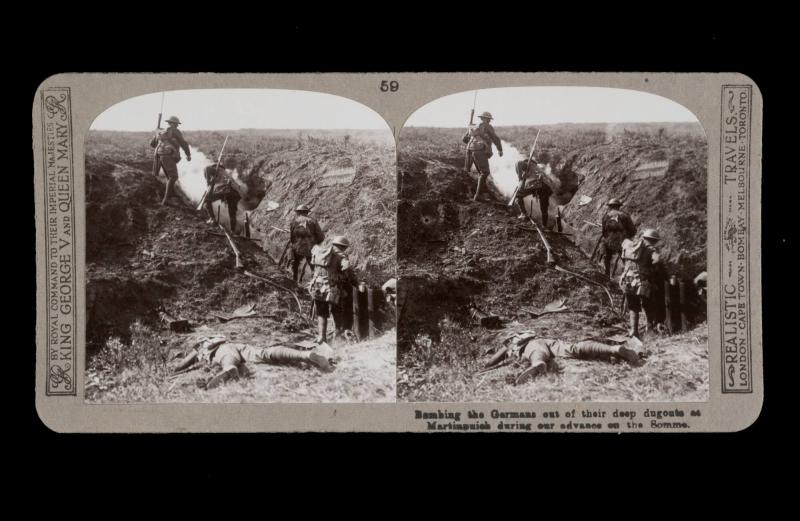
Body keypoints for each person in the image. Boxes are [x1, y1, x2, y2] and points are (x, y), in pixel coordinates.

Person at [172, 336, 332, 390]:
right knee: (264, 353)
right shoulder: (216, 337)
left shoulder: (200, 346)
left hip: (221, 351)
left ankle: (230, 370)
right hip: (239, 346)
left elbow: (182, 365)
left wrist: (175, 369)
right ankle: (303, 354)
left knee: (227, 360)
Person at [483, 331, 641, 385]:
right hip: (549, 342)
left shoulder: (510, 342)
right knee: (574, 348)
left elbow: (491, 362)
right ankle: (612, 349)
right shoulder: (527, 332)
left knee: (536, 353)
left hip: (531, 345)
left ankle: (538, 364)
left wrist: (487, 363)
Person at [309, 236, 358, 344]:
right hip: (333, 287)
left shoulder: (321, 251)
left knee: (321, 312)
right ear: (343, 247)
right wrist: (354, 281)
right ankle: (338, 336)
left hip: (318, 285)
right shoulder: (340, 254)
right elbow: (347, 268)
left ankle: (321, 337)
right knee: (337, 311)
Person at [619, 228, 664, 338]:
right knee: (648, 305)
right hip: (642, 281)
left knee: (633, 307)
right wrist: (653, 268)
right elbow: (657, 260)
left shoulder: (630, 245)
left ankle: (634, 331)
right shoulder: (650, 249)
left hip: (628, 280)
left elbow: (623, 261)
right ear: (653, 240)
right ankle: (650, 329)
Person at [150, 115, 191, 205]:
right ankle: (166, 199)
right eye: (176, 124)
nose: (177, 126)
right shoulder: (175, 131)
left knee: (168, 176)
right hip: (167, 155)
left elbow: (152, 144)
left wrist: (157, 135)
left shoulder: (160, 131)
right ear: (172, 124)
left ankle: (171, 194)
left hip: (157, 154)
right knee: (173, 177)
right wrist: (188, 155)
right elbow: (184, 143)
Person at [462, 111, 503, 201]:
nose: (489, 121)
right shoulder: (487, 126)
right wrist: (500, 150)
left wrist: (473, 142)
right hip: (479, 150)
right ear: (486, 119)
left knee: (472, 171)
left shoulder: (473, 126)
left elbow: (464, 139)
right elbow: (496, 139)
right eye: (488, 119)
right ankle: (478, 196)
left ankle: (480, 191)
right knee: (485, 172)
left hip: (469, 149)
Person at [289, 204, 325, 283]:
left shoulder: (294, 221)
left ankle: (293, 280)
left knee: (294, 263)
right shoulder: (313, 221)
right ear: (307, 212)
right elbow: (320, 236)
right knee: (313, 266)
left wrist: (294, 244)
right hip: (310, 247)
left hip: (297, 247)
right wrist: (317, 243)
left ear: (298, 212)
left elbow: (291, 236)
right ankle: (313, 283)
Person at [601, 198, 636, 278]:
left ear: (610, 206)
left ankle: (606, 275)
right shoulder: (625, 215)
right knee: (626, 259)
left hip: (609, 241)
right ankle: (628, 277)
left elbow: (603, 232)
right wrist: (627, 237)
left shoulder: (606, 216)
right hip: (622, 241)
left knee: (606, 256)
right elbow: (633, 230)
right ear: (619, 206)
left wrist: (608, 238)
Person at [203, 161, 241, 234]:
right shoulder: (226, 173)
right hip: (234, 193)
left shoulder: (214, 168)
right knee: (232, 213)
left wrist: (208, 182)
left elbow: (206, 168)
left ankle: (213, 219)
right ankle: (233, 230)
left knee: (207, 199)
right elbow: (237, 186)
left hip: (224, 189)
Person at [513, 158, 552, 226]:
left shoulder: (527, 164)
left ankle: (523, 213)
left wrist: (520, 178)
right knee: (544, 208)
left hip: (536, 184)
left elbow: (518, 163)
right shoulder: (537, 167)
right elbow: (550, 180)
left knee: (518, 195)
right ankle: (544, 225)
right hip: (545, 187)